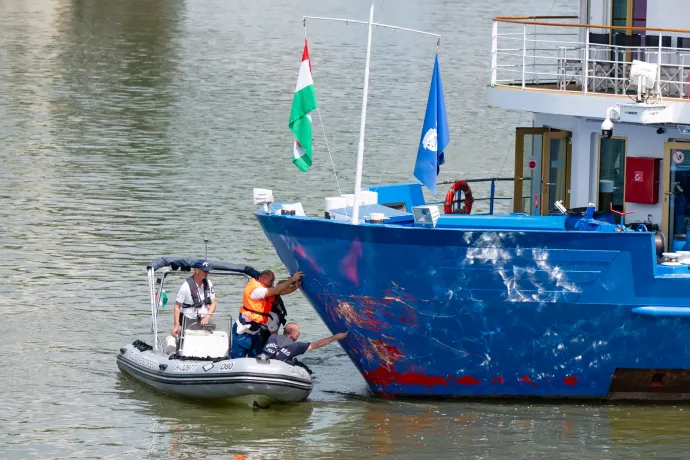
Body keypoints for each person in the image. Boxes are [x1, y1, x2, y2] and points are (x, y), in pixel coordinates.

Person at [230, 270, 304, 358]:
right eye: (271, 281)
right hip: (242, 332)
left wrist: (296, 286)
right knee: (237, 357)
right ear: (264, 279)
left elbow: (281, 291)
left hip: (255, 333)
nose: (272, 283)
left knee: (256, 358)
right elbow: (277, 290)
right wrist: (292, 279)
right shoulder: (257, 291)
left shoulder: (271, 315)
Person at [171, 260, 216, 338]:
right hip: (190, 320)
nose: (207, 273)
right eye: (204, 271)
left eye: (208, 271)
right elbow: (177, 307)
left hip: (205, 319)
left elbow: (213, 303)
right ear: (196, 270)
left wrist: (207, 317)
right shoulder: (185, 286)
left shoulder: (209, 283)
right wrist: (176, 325)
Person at [262, 322, 348, 362]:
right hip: (278, 369)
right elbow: (318, 344)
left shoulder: (272, 337)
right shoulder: (297, 346)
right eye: (298, 333)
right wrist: (336, 337)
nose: (299, 334)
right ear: (292, 334)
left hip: (262, 364)